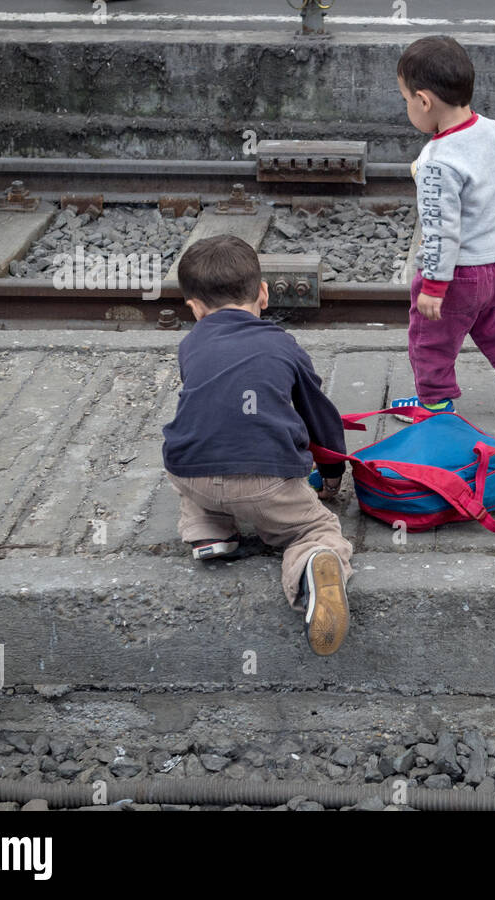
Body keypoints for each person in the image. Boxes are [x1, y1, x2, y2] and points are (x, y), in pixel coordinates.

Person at [161, 234, 352, 656]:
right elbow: (320, 416)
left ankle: (209, 533)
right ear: (264, 294)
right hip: (267, 483)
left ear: (193, 309)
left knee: (198, 474)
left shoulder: (190, 344)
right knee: (314, 526)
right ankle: (313, 563)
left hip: (190, 470)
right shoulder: (283, 345)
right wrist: (333, 474)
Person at [391, 34, 495, 423]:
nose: (407, 108)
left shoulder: (436, 160)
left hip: (456, 275)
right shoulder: (493, 129)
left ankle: (432, 403)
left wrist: (433, 284)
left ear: (424, 100)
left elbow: (440, 230)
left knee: (431, 340)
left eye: (406, 100)